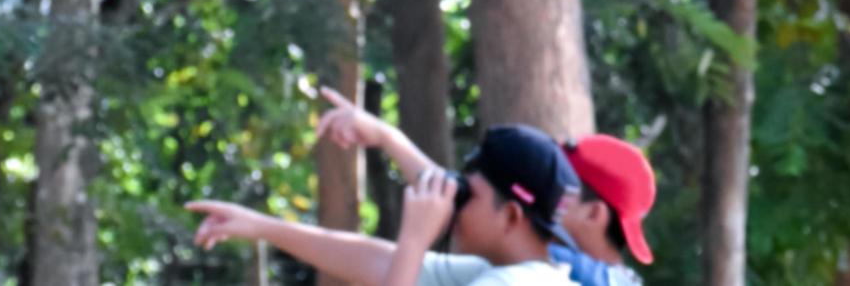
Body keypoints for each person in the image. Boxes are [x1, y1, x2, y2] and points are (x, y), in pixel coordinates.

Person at [315, 89, 653, 286]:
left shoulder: (584, 275)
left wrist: (416, 236)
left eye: (565, 181)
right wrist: (389, 138)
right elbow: (466, 196)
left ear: (595, 213)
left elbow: (468, 197)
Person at [191, 123, 579, 285]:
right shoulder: (509, 271)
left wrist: (414, 240)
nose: (456, 207)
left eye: (468, 195)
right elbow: (378, 262)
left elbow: (403, 261)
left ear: (511, 214)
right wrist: (262, 226)